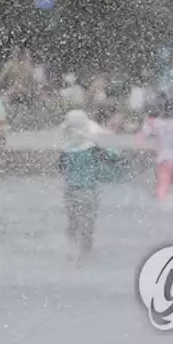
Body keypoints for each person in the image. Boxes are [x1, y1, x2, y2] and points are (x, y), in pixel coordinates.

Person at [58, 109, 113, 260]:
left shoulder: (66, 150)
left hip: (70, 191)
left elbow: (61, 169)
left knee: (73, 222)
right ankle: (86, 252)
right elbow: (111, 157)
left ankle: (71, 250)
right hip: (88, 191)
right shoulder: (93, 148)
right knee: (88, 224)